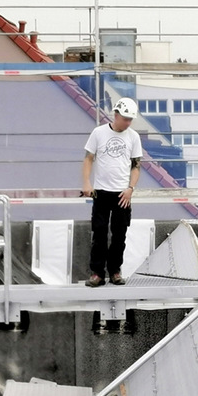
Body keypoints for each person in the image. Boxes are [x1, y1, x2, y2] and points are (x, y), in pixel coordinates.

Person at [82, 97, 142, 287]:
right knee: (99, 233)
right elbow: (88, 158)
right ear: (115, 115)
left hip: (122, 194)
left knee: (119, 234)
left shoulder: (133, 137)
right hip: (101, 191)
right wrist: (86, 183)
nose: (128, 123)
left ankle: (115, 270)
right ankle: (97, 273)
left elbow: (136, 166)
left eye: (130, 119)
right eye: (125, 118)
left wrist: (130, 189)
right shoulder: (98, 133)